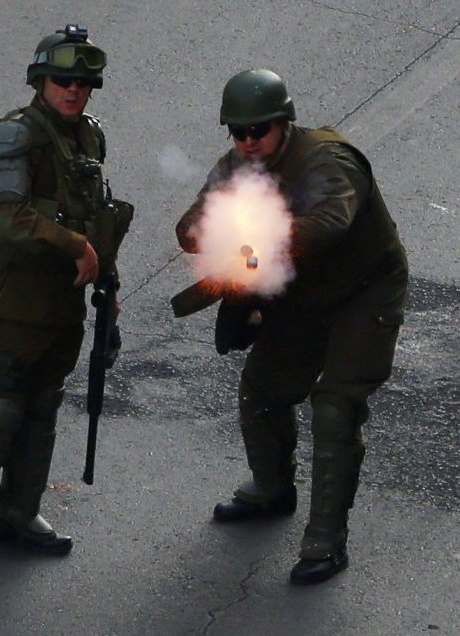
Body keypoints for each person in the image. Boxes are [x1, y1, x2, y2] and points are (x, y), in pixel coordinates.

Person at [175, 69, 409, 585]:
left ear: (284, 122)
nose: (248, 141)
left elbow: (330, 221)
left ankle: (325, 542)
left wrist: (257, 236)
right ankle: (271, 488)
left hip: (363, 291)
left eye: (259, 130)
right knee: (263, 389)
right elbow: (193, 224)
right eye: (238, 132)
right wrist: (210, 233)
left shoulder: (328, 159)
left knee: (336, 406)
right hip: (302, 295)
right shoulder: (238, 167)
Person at [0, 24, 132, 581]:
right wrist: (75, 246)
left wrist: (107, 284)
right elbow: (5, 219)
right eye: (62, 80)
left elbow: (97, 215)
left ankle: (18, 514)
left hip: (62, 302)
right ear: (41, 80)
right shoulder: (16, 137)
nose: (73, 91)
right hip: (17, 301)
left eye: (83, 83)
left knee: (43, 407)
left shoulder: (87, 135)